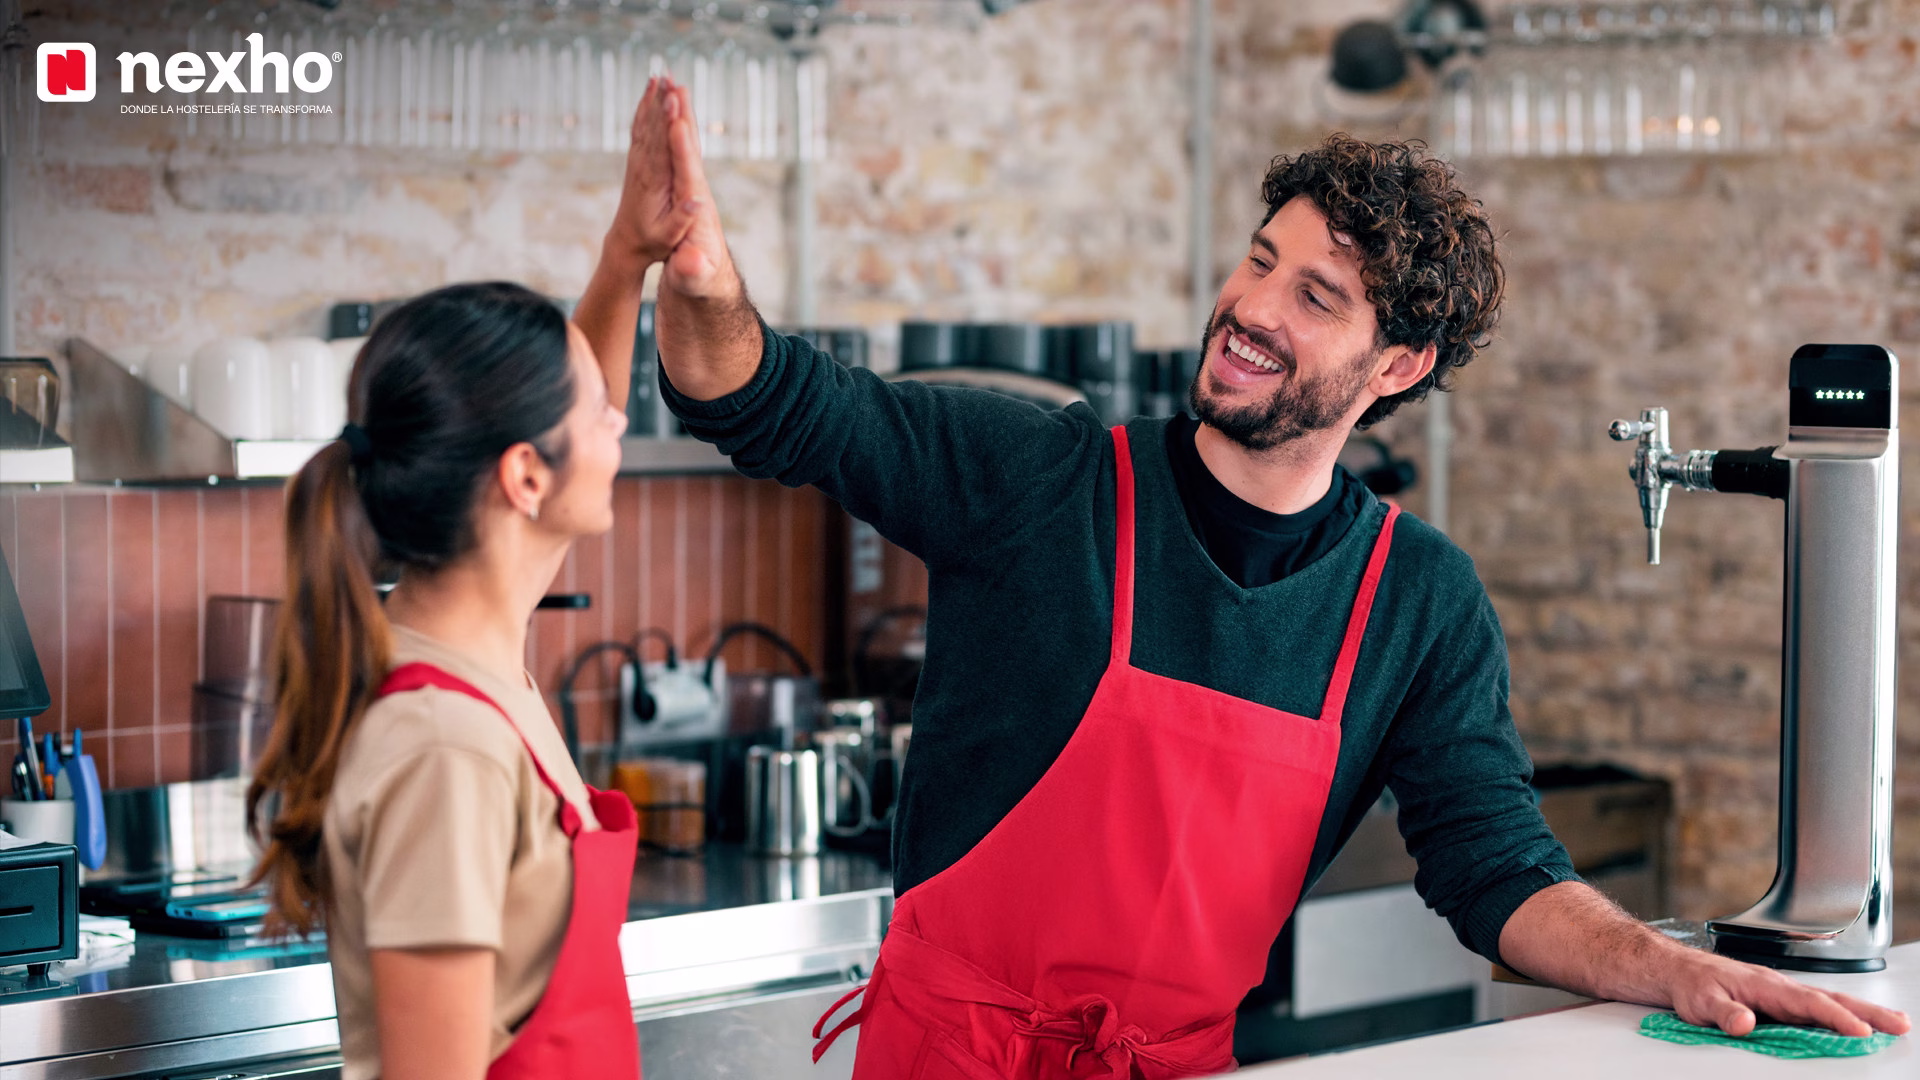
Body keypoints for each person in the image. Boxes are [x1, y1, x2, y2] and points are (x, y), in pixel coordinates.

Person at [615, 78, 1909, 1078]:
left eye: (1318, 297)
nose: (1254, 309)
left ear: (1398, 366)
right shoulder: (1042, 474)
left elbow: (1494, 869)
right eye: (1259, 260)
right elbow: (769, 399)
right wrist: (705, 278)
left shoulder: (1418, 601)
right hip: (946, 1058)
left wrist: (1665, 966)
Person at [246, 82, 695, 1080]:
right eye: (596, 413)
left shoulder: (478, 654)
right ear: (525, 477)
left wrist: (628, 256)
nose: (619, 423)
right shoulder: (443, 747)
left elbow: (578, 413)